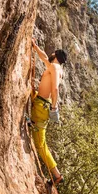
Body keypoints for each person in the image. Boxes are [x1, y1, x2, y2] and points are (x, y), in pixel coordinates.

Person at [30, 38, 67, 185]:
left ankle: (57, 175)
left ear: (56, 55)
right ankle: (56, 174)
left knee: (40, 145)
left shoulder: (55, 68)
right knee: (41, 142)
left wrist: (54, 107)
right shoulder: (54, 67)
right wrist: (35, 46)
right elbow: (44, 57)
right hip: (41, 104)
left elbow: (55, 89)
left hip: (42, 106)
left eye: (53, 53)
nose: (51, 54)